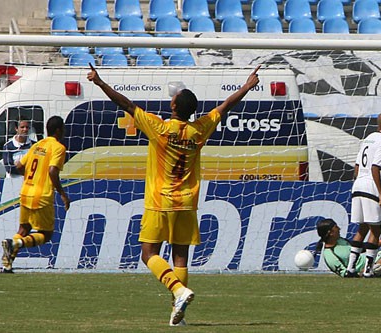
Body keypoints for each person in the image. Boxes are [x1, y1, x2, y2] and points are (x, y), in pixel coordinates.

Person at [87, 63, 261, 326]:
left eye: (173, 98)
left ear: (173, 107)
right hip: (187, 202)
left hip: (159, 201)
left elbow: (125, 104)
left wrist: (99, 82)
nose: (171, 99)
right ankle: (177, 315)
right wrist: (247, 86)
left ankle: (178, 291)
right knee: (180, 256)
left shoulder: (159, 127)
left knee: (148, 254)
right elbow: (226, 106)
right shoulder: (199, 129)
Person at [1, 116, 70, 273]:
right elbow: (53, 171)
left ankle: (7, 265)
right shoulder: (58, 148)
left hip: (26, 192)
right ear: (59, 130)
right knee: (45, 235)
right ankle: (15, 244)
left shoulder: (37, 145)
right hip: (42, 195)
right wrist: (63, 194)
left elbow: (19, 165)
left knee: (24, 229)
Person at [345, 112, 381, 277]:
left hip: (358, 183)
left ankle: (350, 268)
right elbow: (376, 168)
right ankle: (368, 270)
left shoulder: (368, 138)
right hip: (371, 185)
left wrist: (358, 182)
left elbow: (356, 166)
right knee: (376, 229)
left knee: (362, 228)